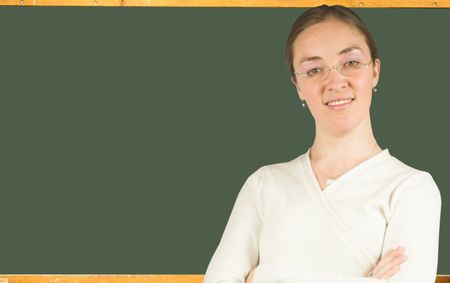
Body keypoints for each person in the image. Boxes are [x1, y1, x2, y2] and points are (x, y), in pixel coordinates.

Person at [203, 5, 441, 283]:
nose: (335, 81)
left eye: (350, 63)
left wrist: (268, 275)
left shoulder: (412, 188)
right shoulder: (263, 185)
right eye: (314, 70)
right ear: (298, 86)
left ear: (374, 71)